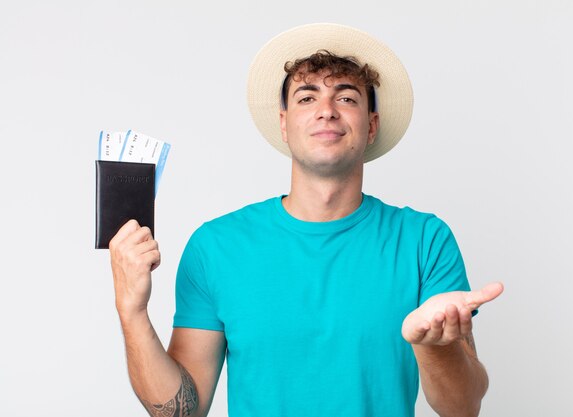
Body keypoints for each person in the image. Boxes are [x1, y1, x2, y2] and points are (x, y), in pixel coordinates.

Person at [109, 23, 504, 417]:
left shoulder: (424, 241)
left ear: (371, 126)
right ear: (284, 124)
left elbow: (463, 408)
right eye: (306, 97)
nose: (326, 110)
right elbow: (182, 412)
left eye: (347, 98)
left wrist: (434, 344)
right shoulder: (216, 246)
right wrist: (133, 312)